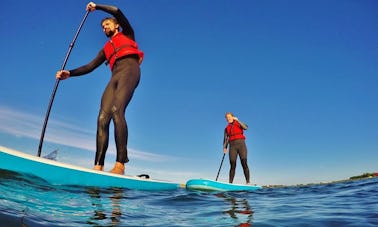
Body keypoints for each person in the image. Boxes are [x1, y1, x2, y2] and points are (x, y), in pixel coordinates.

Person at [56, 2, 144, 174]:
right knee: (102, 118)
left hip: (130, 71)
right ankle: (98, 165)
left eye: (107, 24)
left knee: (117, 110)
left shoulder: (128, 34)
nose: (104, 28)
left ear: (116, 26)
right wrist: (69, 73)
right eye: (103, 27)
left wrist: (97, 7)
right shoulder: (106, 48)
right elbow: (89, 66)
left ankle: (120, 164)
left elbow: (117, 11)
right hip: (115, 76)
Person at [223, 112, 251, 184]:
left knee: (244, 163)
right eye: (227, 118)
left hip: (241, 144)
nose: (228, 118)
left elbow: (246, 127)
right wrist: (225, 147)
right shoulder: (226, 128)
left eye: (229, 117)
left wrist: (238, 120)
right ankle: (230, 183)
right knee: (232, 165)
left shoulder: (238, 123)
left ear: (233, 117)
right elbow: (225, 139)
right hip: (232, 146)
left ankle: (248, 182)